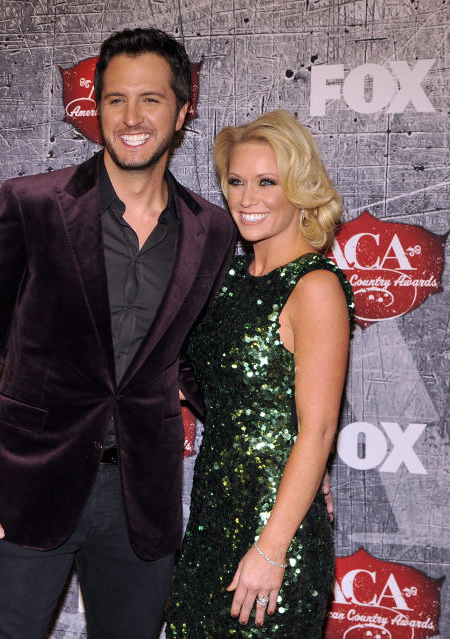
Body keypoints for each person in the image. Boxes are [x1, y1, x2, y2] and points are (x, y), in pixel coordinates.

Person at [0, 28, 237, 639]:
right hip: (24, 487)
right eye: (115, 99)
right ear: (95, 108)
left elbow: (199, 365)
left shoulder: (214, 230)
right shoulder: (33, 205)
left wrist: (284, 457)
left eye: (150, 100)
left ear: (182, 112)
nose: (131, 117)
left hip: (141, 500)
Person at [165, 110, 354, 637]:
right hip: (212, 514)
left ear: (299, 189)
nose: (247, 199)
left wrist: (272, 549)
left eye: (267, 182)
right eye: (236, 181)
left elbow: (316, 431)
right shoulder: (227, 277)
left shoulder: (314, 287)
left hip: (275, 528)